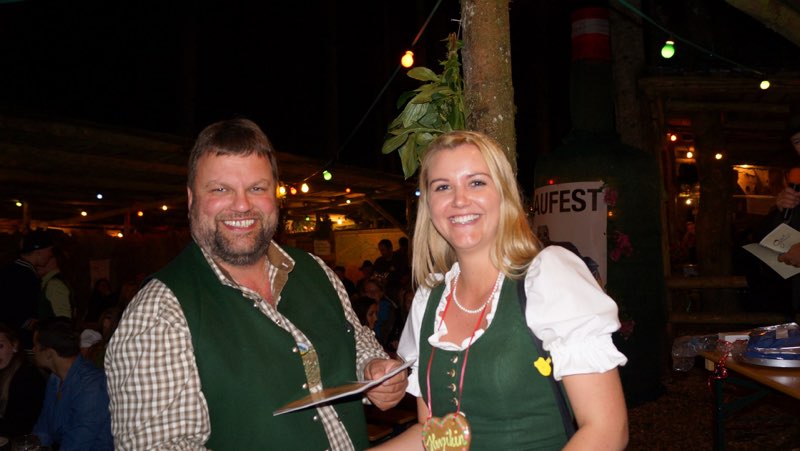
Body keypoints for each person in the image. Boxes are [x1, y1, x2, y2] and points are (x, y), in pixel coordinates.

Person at [105, 118, 406, 450]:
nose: (242, 205)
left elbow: (355, 341)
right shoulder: (159, 312)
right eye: (220, 189)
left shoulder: (316, 270)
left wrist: (373, 369)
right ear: (191, 199)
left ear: (275, 195)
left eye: (257, 188)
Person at [378, 131, 628, 450]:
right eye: (442, 187)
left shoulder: (548, 277)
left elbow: (606, 430)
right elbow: (432, 434)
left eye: (476, 182)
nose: (459, 200)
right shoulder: (429, 300)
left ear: (504, 193)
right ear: (429, 204)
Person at [32, 317, 113, 450]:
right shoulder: (55, 379)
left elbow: (78, 443)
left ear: (49, 353)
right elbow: (43, 428)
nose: (33, 350)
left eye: (35, 346)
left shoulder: (92, 386)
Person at [0, 230, 52, 349]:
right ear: (38, 252)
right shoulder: (25, 276)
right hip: (17, 341)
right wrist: (31, 324)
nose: (50, 254)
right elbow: (12, 310)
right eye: (49, 250)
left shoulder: (12, 270)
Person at [0, 323, 45, 438]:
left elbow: (20, 427)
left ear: (14, 345)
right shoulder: (5, 370)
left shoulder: (27, 377)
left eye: (0, 346)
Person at [36, 245, 73, 320]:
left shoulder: (54, 285)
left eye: (43, 258)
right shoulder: (51, 282)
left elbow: (64, 320)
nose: (37, 262)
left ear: (54, 260)